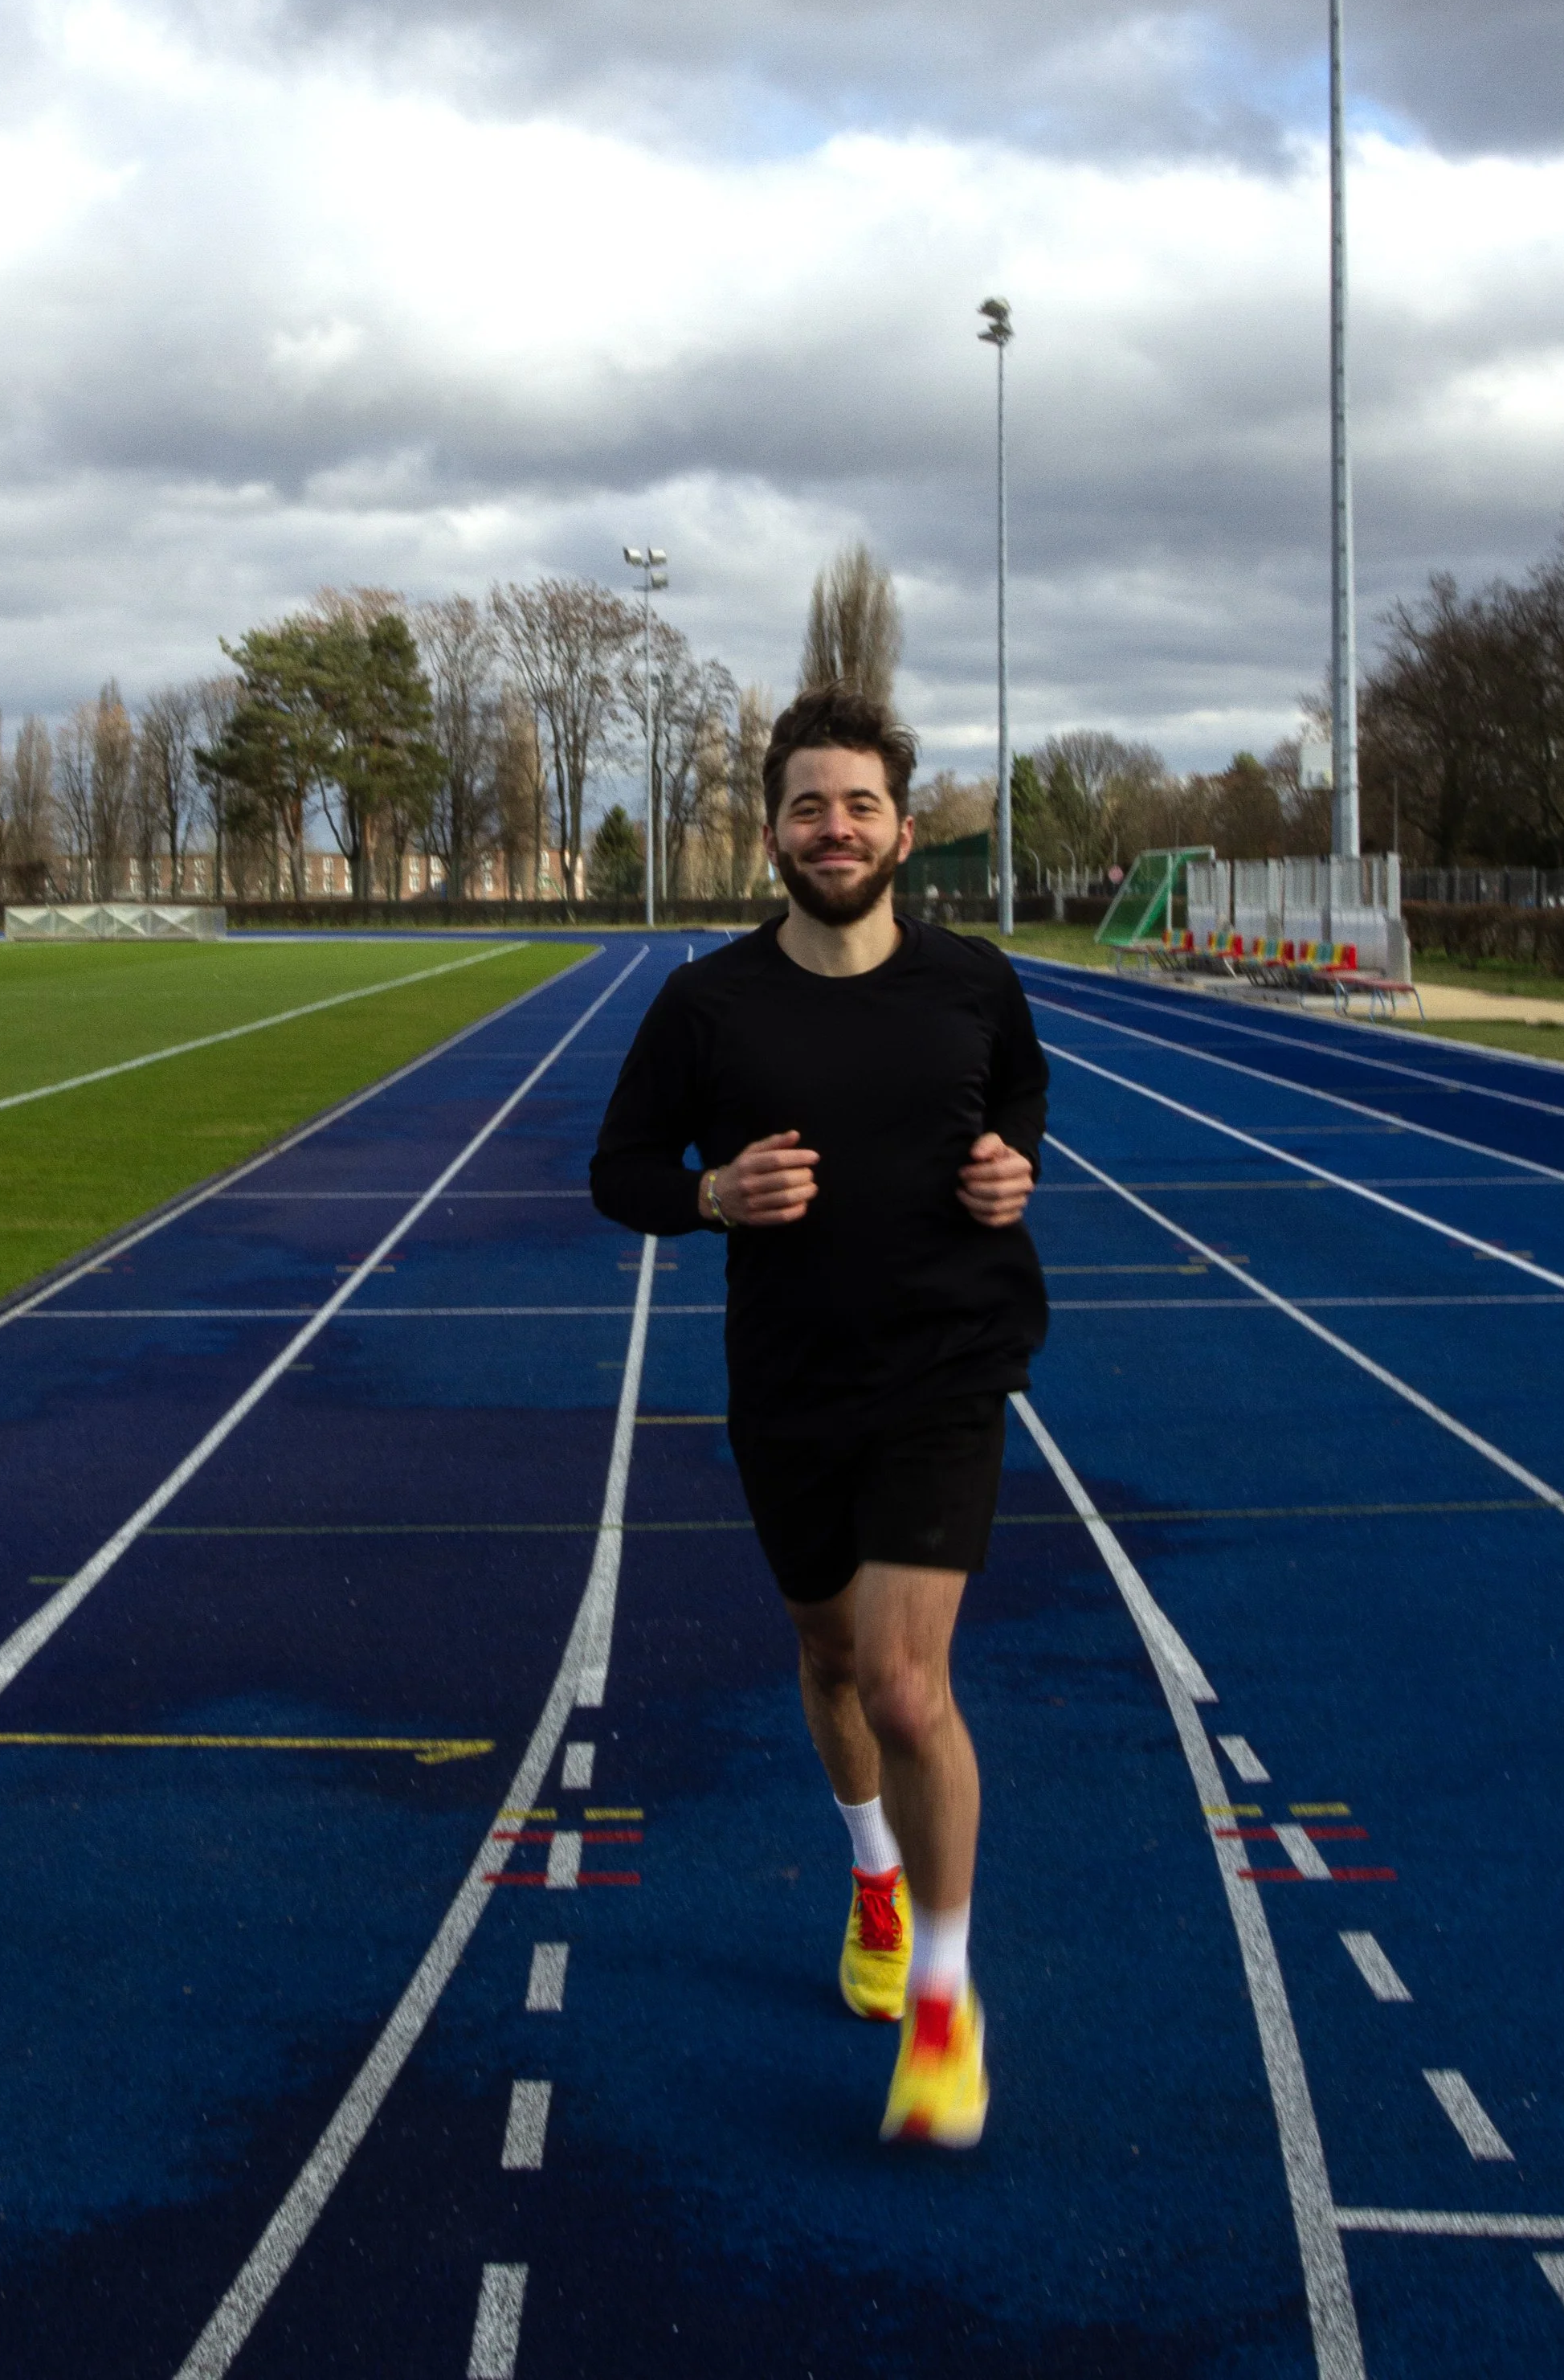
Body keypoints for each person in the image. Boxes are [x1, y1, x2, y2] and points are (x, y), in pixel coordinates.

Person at [589, 681, 1048, 2145]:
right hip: (789, 1386)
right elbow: (618, 1169)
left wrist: (1011, 1172)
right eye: (807, 805)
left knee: (912, 1685)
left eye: (859, 803)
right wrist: (712, 1192)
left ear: (904, 826)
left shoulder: (974, 983)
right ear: (773, 831)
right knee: (829, 1656)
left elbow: (1019, 1109)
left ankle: (943, 1989)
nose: (833, 827)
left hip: (946, 1368)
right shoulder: (708, 1003)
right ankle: (871, 1869)